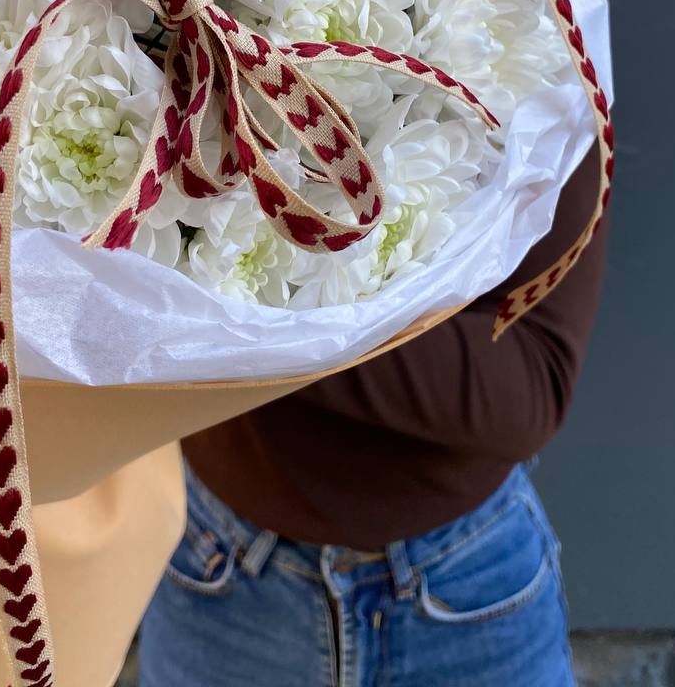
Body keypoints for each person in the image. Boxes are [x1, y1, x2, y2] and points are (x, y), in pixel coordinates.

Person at [138, 141, 608, 686]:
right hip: (223, 577)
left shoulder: (554, 97)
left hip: (465, 584)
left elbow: (526, 391)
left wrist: (236, 319)